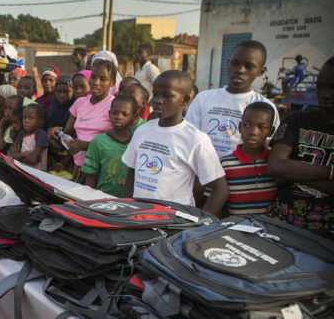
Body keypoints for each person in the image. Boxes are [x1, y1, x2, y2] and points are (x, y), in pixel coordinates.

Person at [123, 70, 228, 215]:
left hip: (173, 223)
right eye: (156, 93)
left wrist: (201, 226)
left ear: (184, 100)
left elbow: (220, 190)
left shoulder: (196, 139)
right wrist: (131, 206)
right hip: (140, 218)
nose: (158, 100)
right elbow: (132, 171)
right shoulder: (142, 131)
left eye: (167, 95)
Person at [267, 56, 334, 235]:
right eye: (320, 86)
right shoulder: (295, 120)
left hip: (327, 231)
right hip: (281, 220)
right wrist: (330, 171)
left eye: (332, 87)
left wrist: (293, 173)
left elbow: (283, 172)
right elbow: (276, 166)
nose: (325, 94)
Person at [185, 40, 278, 158]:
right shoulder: (203, 98)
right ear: (228, 64)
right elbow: (188, 138)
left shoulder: (266, 107)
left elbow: (268, 147)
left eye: (249, 66)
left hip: (242, 174)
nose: (240, 70)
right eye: (235, 63)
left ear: (261, 71)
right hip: (203, 172)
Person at [50, 60, 116, 183]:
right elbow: (67, 132)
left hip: (102, 168)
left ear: (112, 83)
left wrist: (87, 145)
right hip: (79, 166)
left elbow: (117, 141)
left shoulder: (114, 105)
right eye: (93, 77)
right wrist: (56, 132)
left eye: (103, 79)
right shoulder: (79, 103)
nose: (96, 82)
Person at [211, 101, 278, 216]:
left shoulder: (274, 162)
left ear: (270, 131)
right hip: (236, 228)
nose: (253, 132)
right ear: (240, 127)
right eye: (247, 125)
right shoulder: (225, 163)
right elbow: (215, 201)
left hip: (269, 228)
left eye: (261, 127)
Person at [83, 94, 139, 198]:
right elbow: (91, 177)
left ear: (134, 117)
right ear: (109, 114)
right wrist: (87, 200)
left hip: (128, 204)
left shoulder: (138, 142)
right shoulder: (98, 142)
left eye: (125, 114)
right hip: (101, 200)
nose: (119, 117)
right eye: (115, 113)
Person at [10, 103, 48, 170]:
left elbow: (33, 160)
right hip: (21, 169)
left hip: (35, 174)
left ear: (40, 121)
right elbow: (11, 155)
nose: (26, 121)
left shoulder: (41, 134)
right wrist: (23, 154)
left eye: (31, 118)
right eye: (24, 117)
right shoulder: (21, 134)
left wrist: (18, 156)